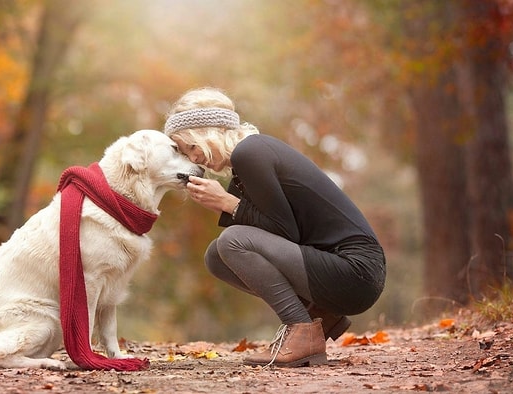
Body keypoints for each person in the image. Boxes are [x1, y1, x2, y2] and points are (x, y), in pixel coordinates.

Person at [163, 87, 386, 368]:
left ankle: (301, 328)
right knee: (216, 256)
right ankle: (317, 315)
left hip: (355, 272)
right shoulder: (247, 160)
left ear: (208, 132)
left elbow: (284, 232)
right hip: (341, 270)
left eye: (192, 147)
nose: (194, 159)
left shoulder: (250, 152)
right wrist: (227, 202)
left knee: (232, 240)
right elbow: (279, 232)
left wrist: (227, 203)